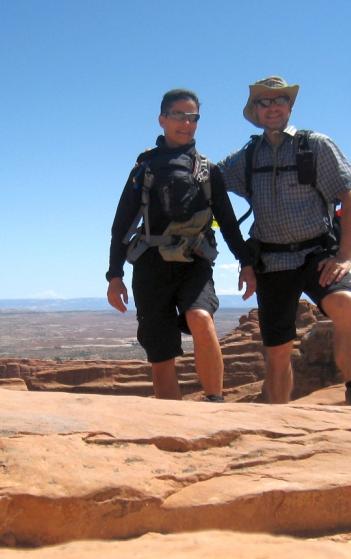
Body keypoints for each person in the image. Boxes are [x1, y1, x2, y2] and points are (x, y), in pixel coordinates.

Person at [219, 76, 351, 407]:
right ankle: (279, 418)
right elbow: (208, 180)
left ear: (290, 106)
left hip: (316, 253)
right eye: (265, 102)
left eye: (280, 100)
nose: (273, 107)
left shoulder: (315, 146)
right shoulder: (246, 157)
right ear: (256, 111)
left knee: (344, 304)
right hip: (272, 261)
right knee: (277, 350)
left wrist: (345, 255)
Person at [106, 89, 255, 402]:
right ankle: (172, 422)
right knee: (161, 355)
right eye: (179, 116)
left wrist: (246, 263)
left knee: (200, 318)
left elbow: (227, 223)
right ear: (162, 120)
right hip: (150, 266)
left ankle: (215, 404)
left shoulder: (208, 171)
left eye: (193, 117)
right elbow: (122, 226)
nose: (187, 123)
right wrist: (114, 275)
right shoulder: (143, 171)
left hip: (194, 262)